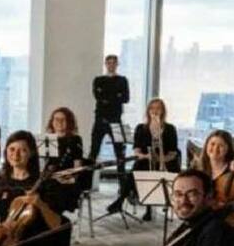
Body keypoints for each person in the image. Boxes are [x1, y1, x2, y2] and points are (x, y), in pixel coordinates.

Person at [123, 98, 180, 221]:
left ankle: (154, 204)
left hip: (165, 162)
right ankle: (124, 199)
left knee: (150, 170)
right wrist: (147, 156)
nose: (155, 111)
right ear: (148, 111)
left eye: (158, 108)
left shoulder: (170, 129)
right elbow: (137, 151)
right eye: (152, 108)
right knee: (137, 169)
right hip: (145, 160)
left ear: (163, 111)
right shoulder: (140, 128)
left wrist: (160, 159)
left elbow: (173, 153)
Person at [89, 55, 131, 212]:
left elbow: (125, 98)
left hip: (116, 120)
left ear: (117, 64)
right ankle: (86, 185)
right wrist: (115, 96)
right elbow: (98, 97)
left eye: (114, 63)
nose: (111, 65)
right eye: (109, 62)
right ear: (105, 64)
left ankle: (123, 190)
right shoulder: (98, 80)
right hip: (100, 120)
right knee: (93, 153)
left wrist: (108, 97)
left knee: (120, 155)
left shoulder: (122, 80)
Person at [195, 130, 234, 234]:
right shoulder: (198, 166)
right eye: (212, 144)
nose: (215, 149)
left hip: (226, 215)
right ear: (206, 145)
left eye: (221, 146)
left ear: (228, 149)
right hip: (203, 211)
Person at [43, 107, 86, 213]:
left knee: (53, 193)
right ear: (52, 122)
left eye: (63, 119)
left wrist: (70, 177)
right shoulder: (47, 139)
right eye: (56, 119)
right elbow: (42, 164)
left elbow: (78, 166)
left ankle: (55, 221)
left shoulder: (75, 139)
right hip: (49, 177)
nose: (59, 122)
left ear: (69, 122)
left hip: (67, 179)